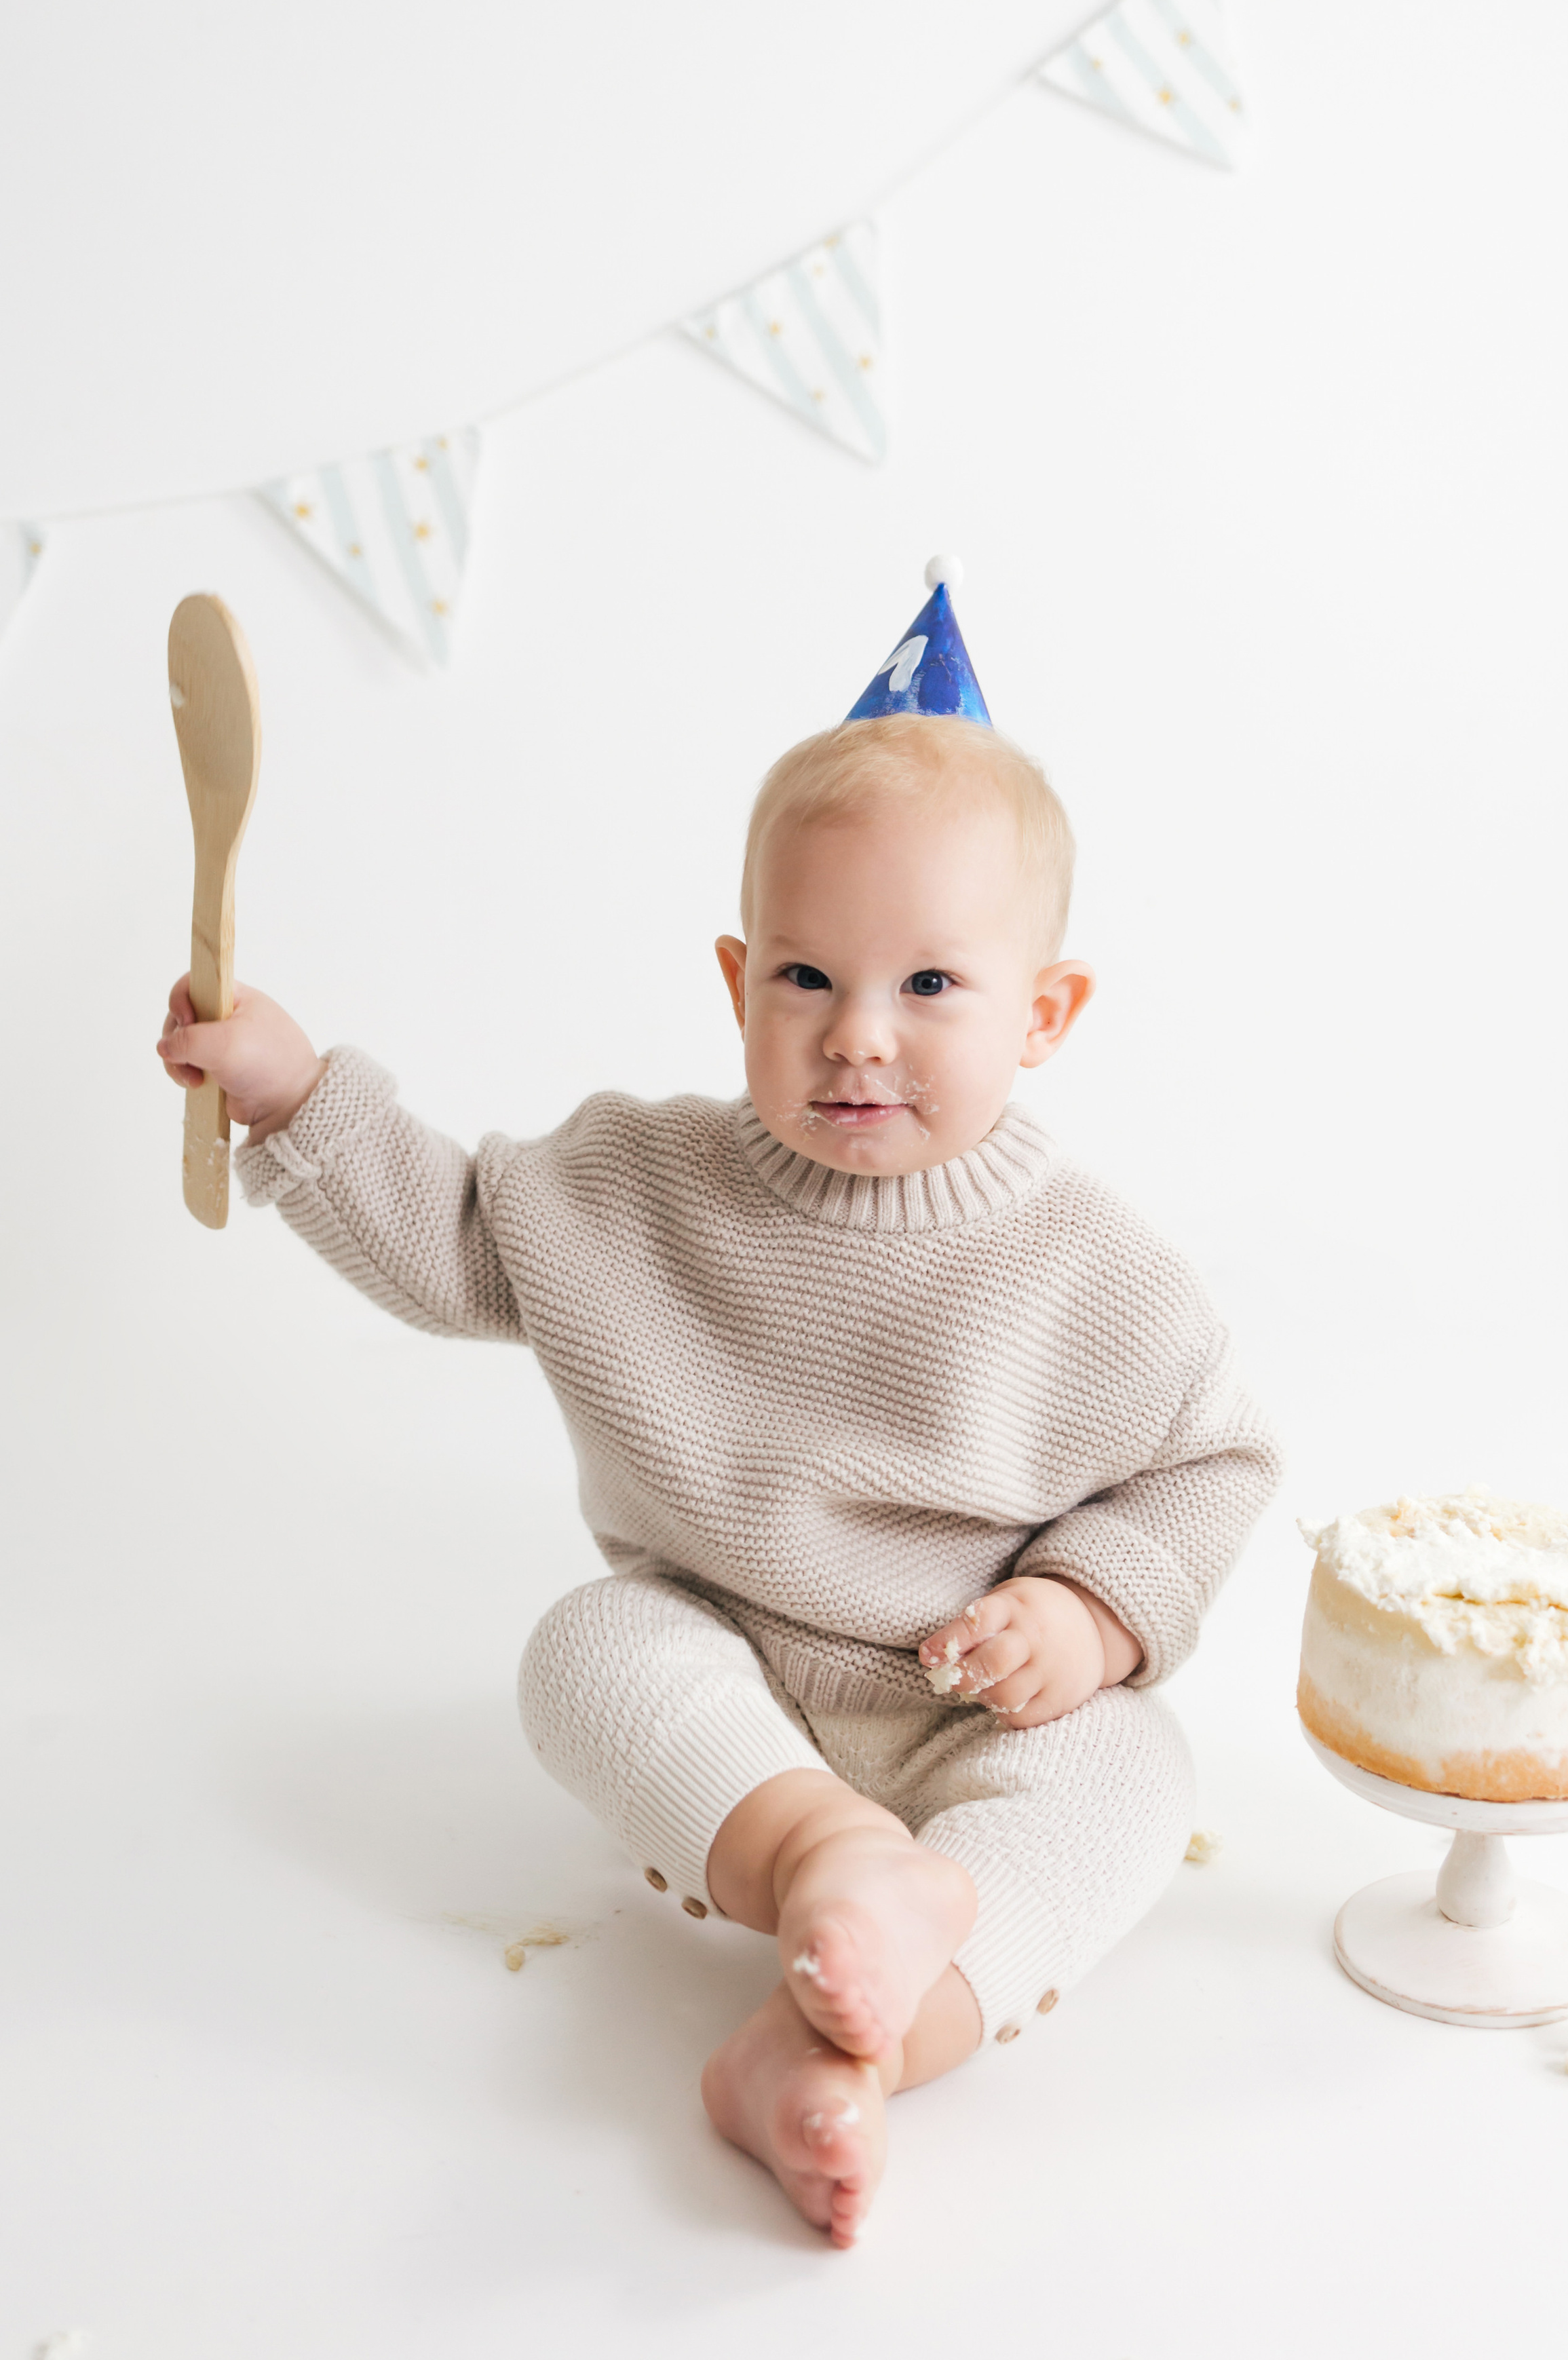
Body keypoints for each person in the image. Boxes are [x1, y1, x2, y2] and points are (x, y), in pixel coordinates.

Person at [157, 567, 1280, 2247]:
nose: (857, 1037)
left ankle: (842, 2048)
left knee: (1131, 1771)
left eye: (930, 986)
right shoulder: (642, 1182)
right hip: (728, 1669)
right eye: (808, 975)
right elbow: (457, 1238)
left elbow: (1215, 1460)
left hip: (972, 1702)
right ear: (737, 978)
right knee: (589, 1645)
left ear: (1044, 1013)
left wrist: (1086, 1610)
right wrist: (295, 1093)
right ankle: (829, 1862)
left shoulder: (1091, 1272)